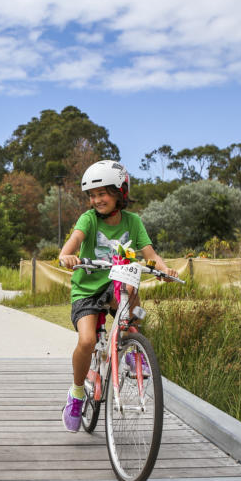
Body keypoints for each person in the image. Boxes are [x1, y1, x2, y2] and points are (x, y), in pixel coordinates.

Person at [57, 160, 177, 432]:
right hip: (87, 290)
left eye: (102, 193)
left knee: (131, 287)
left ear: (119, 192)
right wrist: (67, 255)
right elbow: (73, 242)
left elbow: (151, 255)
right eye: (92, 195)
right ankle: (76, 393)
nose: (96, 200)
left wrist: (164, 269)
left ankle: (131, 342)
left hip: (116, 286)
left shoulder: (133, 222)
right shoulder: (88, 219)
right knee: (87, 341)